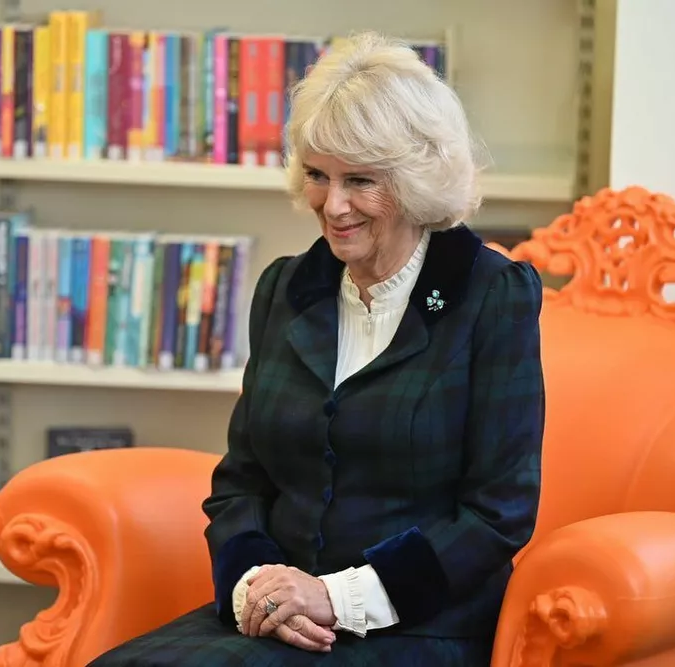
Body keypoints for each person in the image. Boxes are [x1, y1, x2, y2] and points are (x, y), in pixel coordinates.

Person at [91, 30, 544, 666]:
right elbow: (241, 482)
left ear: (416, 179)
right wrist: (257, 588)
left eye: (359, 180)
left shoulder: (490, 294)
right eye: (317, 176)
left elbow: (499, 514)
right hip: (280, 619)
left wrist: (335, 597)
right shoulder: (286, 288)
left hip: (419, 626)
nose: (333, 206)